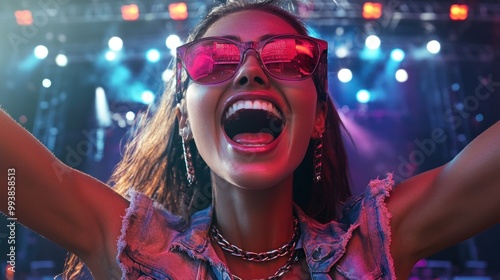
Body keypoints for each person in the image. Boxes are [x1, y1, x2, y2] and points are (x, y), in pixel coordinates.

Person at [1, 0, 499, 279]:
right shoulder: (134, 252)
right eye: (212, 59)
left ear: (319, 116)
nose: (250, 71)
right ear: (183, 120)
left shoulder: (371, 248)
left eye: (287, 57)